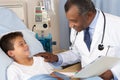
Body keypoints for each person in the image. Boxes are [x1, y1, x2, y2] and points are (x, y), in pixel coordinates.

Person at [37, 0, 120, 80]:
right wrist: (57, 58)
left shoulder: (116, 25)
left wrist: (113, 73)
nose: (70, 25)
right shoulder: (77, 27)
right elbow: (77, 53)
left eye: (73, 21)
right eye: (69, 20)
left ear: (89, 15)